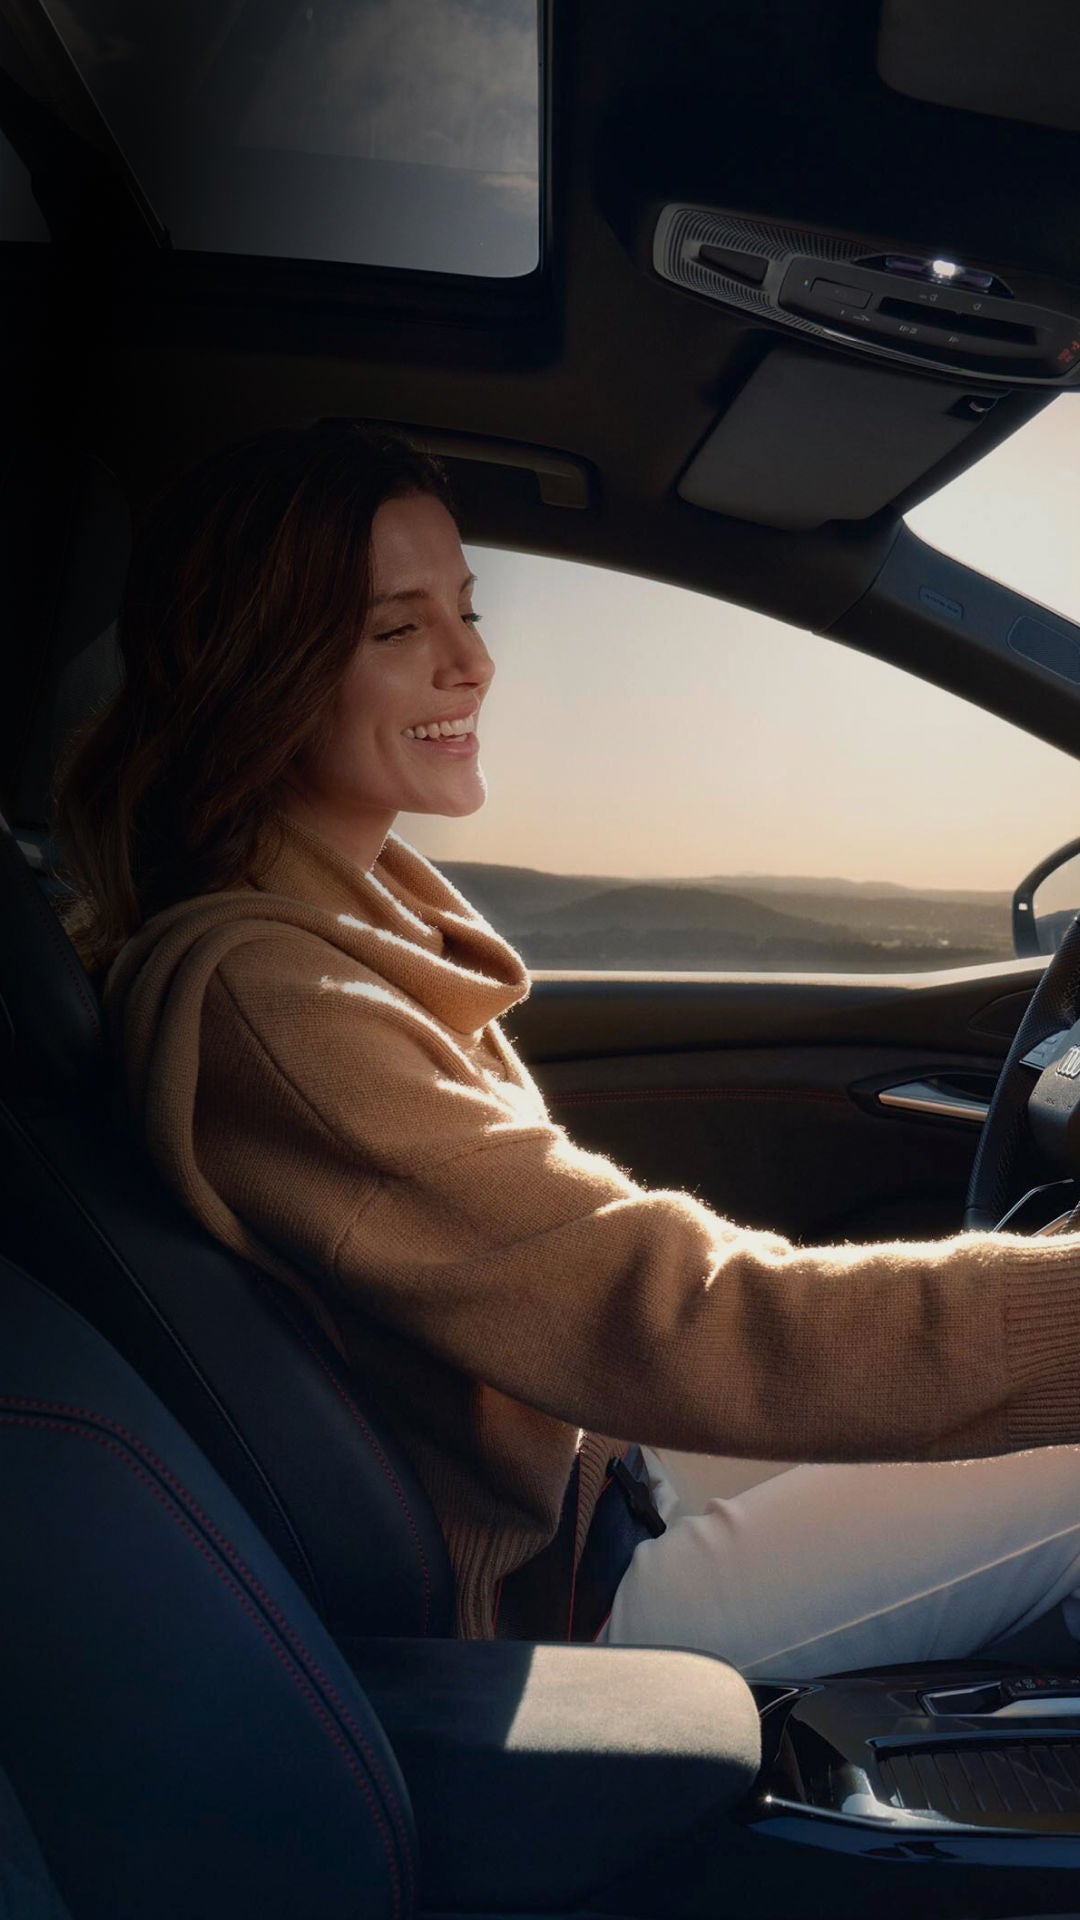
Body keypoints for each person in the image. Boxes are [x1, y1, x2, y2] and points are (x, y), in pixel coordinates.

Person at [53, 420, 1080, 1674]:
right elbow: (684, 1320)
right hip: (559, 1600)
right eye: (398, 628)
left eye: (467, 612)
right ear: (257, 667)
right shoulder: (283, 1007)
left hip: (587, 1479)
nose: (470, 665)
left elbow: (632, 1315)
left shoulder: (331, 936)